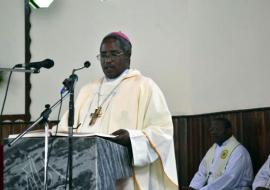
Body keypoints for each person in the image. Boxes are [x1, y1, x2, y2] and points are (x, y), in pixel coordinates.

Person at [56, 31, 178, 189]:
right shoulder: (87, 90)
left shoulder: (144, 86)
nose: (107, 60)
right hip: (86, 173)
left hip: (124, 175)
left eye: (114, 54)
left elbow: (163, 131)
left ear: (128, 55)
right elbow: (65, 128)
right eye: (103, 55)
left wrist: (132, 138)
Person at [189, 118, 253, 190]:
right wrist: (193, 187)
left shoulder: (239, 152)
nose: (213, 132)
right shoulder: (213, 149)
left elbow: (229, 178)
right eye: (212, 129)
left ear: (229, 130)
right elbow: (202, 172)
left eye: (217, 129)